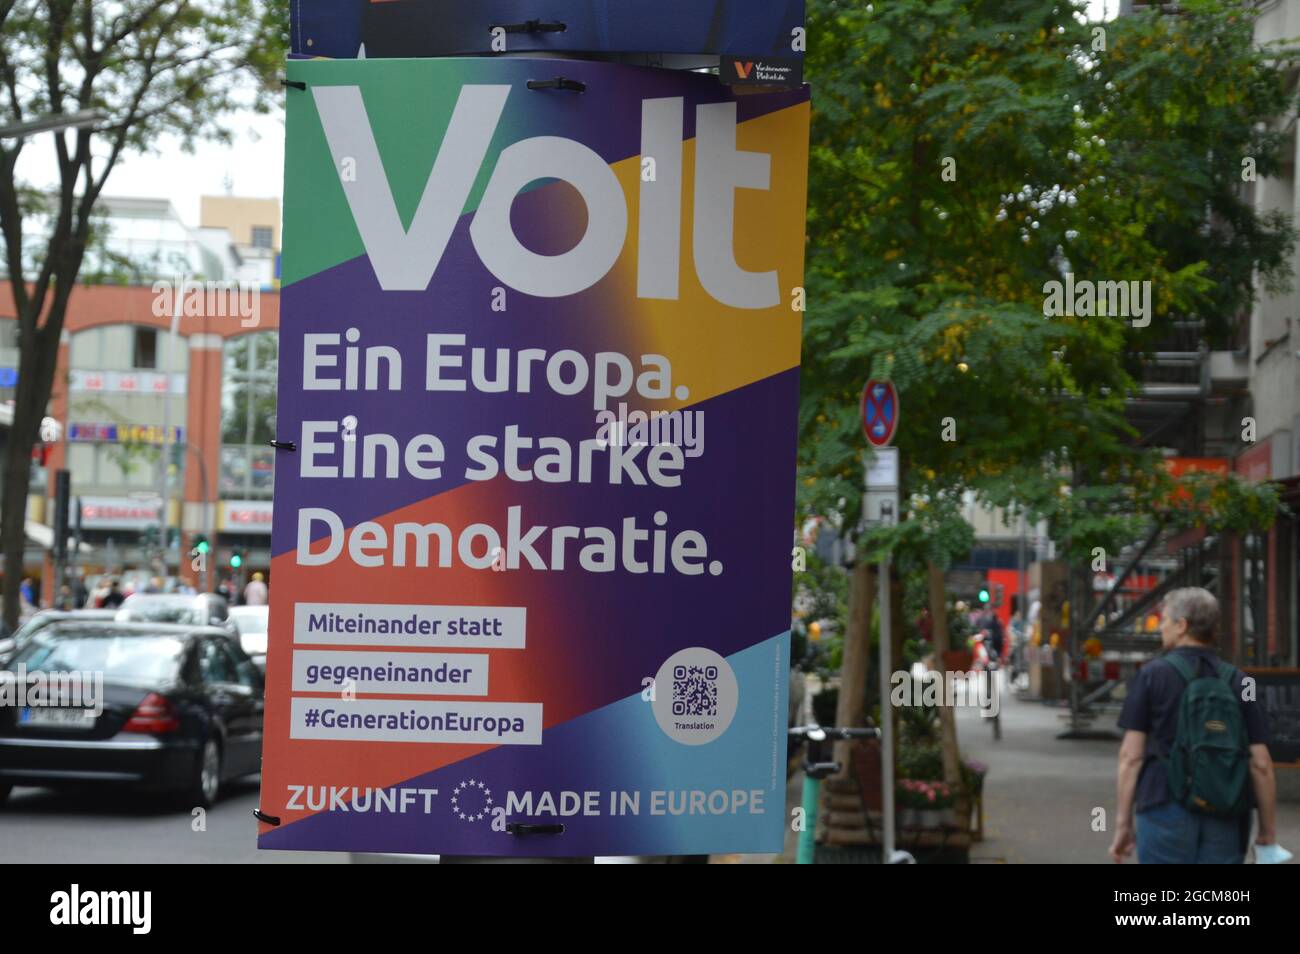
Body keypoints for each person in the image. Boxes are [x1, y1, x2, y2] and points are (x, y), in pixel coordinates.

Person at [1109, 587, 1277, 864]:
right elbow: (1261, 763)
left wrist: (1122, 824)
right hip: (1226, 806)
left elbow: (1130, 757)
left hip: (1162, 803)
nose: (1161, 628)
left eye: (1164, 620)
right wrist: (1268, 830)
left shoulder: (1150, 676)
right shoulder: (1242, 682)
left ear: (1182, 626)